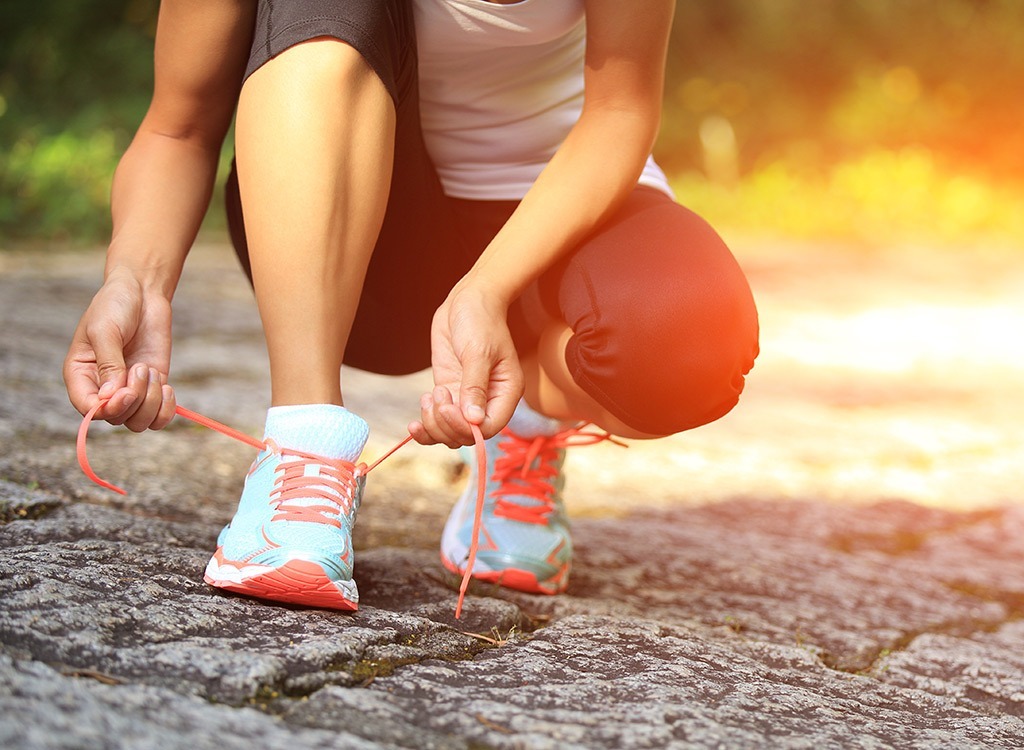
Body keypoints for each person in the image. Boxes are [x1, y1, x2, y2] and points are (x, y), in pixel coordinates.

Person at [65, 0, 759, 612]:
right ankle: (305, 452)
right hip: (363, 244)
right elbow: (177, 129)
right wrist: (135, 281)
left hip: (546, 224)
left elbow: (620, 108)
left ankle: (521, 424)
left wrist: (488, 289)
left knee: (686, 340)